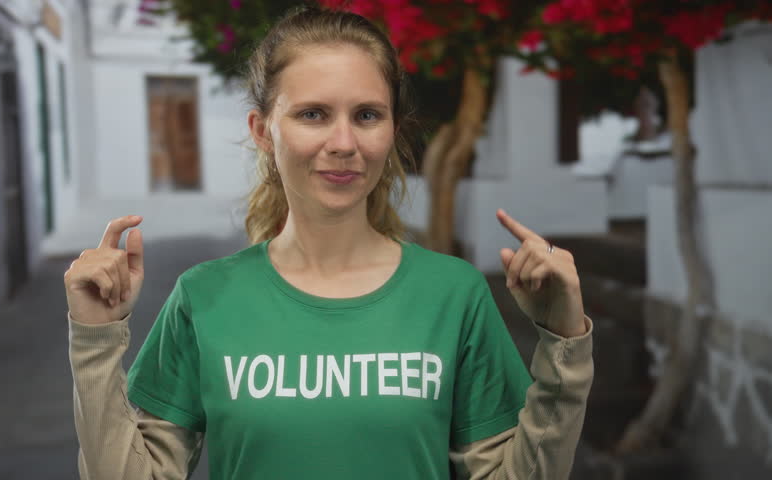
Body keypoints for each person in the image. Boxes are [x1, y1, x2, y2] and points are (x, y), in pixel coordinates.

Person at [66, 6, 593, 480]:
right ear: (263, 130)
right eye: (313, 114)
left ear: (391, 131)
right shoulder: (204, 298)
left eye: (367, 115)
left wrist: (563, 347)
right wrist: (94, 341)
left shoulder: (454, 294)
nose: (343, 144)